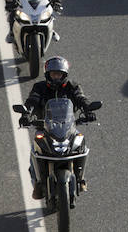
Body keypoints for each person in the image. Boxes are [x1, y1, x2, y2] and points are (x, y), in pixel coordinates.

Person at [19, 56, 93, 198]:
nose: (56, 77)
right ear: (48, 74)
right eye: (53, 74)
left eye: (59, 74)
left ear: (64, 75)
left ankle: (80, 178)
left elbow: (81, 98)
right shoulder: (39, 87)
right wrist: (26, 113)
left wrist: (88, 109)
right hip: (45, 127)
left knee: (81, 143)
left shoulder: (72, 86)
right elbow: (32, 100)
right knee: (35, 151)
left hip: (69, 127)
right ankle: (39, 184)